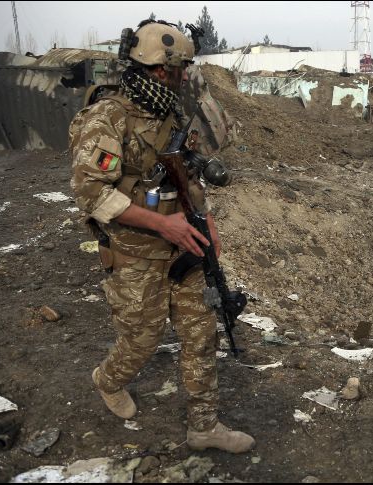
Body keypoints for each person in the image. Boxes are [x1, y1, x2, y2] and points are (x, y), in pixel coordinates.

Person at [68, 18, 254, 455]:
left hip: (183, 244)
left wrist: (205, 222)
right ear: (155, 69)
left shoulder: (172, 113)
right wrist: (161, 224)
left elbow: (188, 175)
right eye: (179, 69)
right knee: (144, 338)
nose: (186, 77)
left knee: (201, 333)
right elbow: (91, 193)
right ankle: (107, 380)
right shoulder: (108, 118)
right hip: (134, 250)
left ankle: (204, 427)